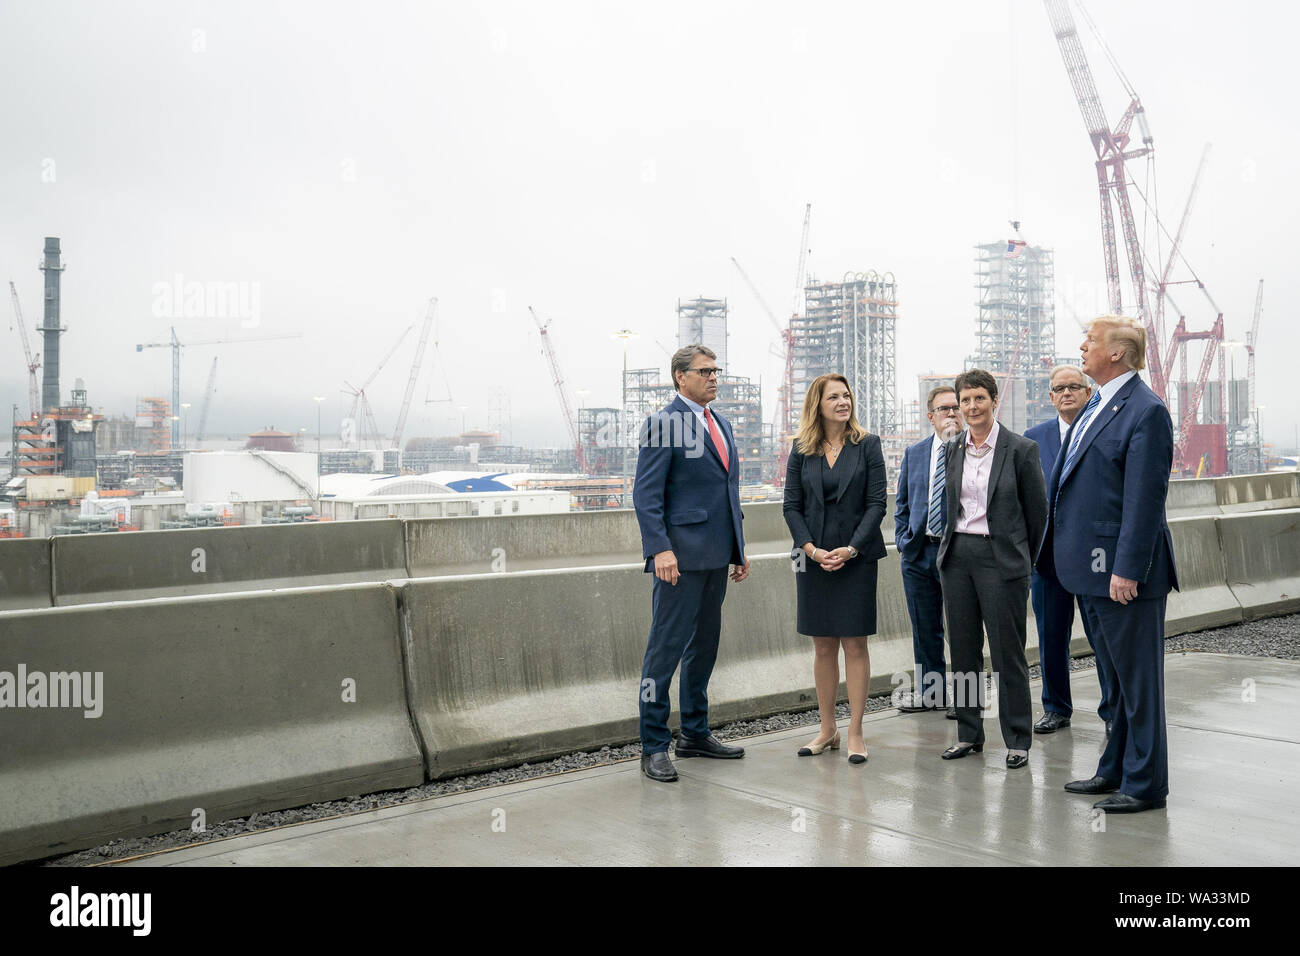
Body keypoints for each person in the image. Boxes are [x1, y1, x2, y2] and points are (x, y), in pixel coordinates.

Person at [1041, 317, 1178, 813]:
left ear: (1118, 353)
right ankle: (1114, 769)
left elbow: (1144, 500)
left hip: (1122, 577)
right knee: (1115, 683)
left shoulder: (1145, 410)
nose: (1082, 346)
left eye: (1091, 340)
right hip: (1087, 572)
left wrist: (1128, 570)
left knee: (1139, 685)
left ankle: (1145, 786)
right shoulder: (1098, 403)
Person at [633, 344, 750, 784]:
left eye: (716, 370)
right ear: (680, 377)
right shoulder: (663, 423)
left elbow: (727, 491)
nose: (714, 377)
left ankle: (695, 734)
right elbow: (646, 494)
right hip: (678, 559)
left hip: (717, 555)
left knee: (704, 648)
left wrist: (738, 550)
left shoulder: (719, 421)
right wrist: (660, 549)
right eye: (704, 371)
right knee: (663, 652)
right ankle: (653, 746)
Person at [936, 369, 1047, 770]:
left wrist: (1019, 558)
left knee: (1007, 653)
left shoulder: (1020, 450)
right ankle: (968, 734)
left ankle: (1018, 738)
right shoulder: (952, 449)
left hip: (1001, 561)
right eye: (965, 401)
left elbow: (1038, 514)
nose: (971, 407)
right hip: (957, 559)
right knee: (963, 651)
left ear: (994, 400)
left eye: (979, 399)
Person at [783, 374, 888, 764]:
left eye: (847, 395)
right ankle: (827, 729)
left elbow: (877, 503)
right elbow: (790, 506)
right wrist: (810, 549)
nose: (843, 402)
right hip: (812, 560)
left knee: (854, 644)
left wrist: (850, 548)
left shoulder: (868, 445)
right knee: (823, 645)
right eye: (834, 397)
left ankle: (856, 731)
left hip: (855, 558)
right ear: (818, 403)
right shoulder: (800, 449)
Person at [1024, 365, 1114, 735]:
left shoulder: (1103, 430)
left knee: (1102, 639)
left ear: (1088, 390)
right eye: (1058, 388)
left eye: (1073, 387)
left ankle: (1113, 711)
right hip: (1047, 559)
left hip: (1092, 558)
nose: (1066, 393)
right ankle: (1056, 708)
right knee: (1051, 637)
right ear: (1050, 396)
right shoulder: (1034, 439)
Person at [894, 386, 962, 718]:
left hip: (959, 553)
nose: (952, 413)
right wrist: (905, 541)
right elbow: (903, 502)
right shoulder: (915, 453)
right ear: (930, 415)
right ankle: (931, 694)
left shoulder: (972, 449)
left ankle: (965, 700)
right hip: (919, 553)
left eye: (956, 407)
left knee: (963, 629)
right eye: (944, 408)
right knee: (925, 627)